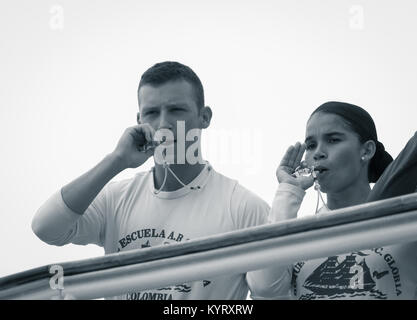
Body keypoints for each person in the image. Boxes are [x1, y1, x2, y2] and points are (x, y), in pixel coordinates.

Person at [32, 61, 290, 300]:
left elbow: (272, 294)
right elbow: (46, 228)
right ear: (138, 121)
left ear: (205, 117)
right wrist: (117, 160)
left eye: (176, 110)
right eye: (152, 113)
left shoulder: (243, 208)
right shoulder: (115, 199)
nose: (164, 123)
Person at [271, 101, 417, 300]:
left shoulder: (407, 223)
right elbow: (264, 287)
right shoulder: (298, 234)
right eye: (311, 145)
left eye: (333, 140)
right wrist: (288, 190)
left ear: (366, 151)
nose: (318, 153)